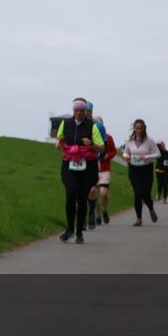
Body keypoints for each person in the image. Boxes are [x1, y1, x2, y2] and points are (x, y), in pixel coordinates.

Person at [55, 98, 104, 243]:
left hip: (87, 167)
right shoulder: (66, 123)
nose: (79, 113)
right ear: (73, 111)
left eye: (82, 111)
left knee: (82, 198)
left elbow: (101, 147)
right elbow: (60, 139)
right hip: (69, 165)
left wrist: (92, 144)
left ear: (86, 112)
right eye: (76, 111)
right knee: (71, 194)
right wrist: (58, 144)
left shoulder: (92, 126)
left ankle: (79, 233)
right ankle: (70, 229)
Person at [123, 119, 160, 225]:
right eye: (137, 128)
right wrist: (126, 157)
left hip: (146, 169)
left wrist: (147, 156)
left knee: (146, 194)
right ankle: (138, 219)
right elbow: (126, 153)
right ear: (134, 128)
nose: (138, 130)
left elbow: (158, 154)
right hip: (134, 169)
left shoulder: (150, 141)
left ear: (144, 128)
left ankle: (151, 209)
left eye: (140, 128)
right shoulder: (129, 140)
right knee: (138, 193)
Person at [88, 118, 117, 228]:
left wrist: (107, 155)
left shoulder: (108, 138)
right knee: (93, 192)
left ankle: (104, 210)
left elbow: (113, 151)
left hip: (105, 169)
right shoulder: (90, 138)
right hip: (93, 169)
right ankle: (97, 215)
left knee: (104, 193)